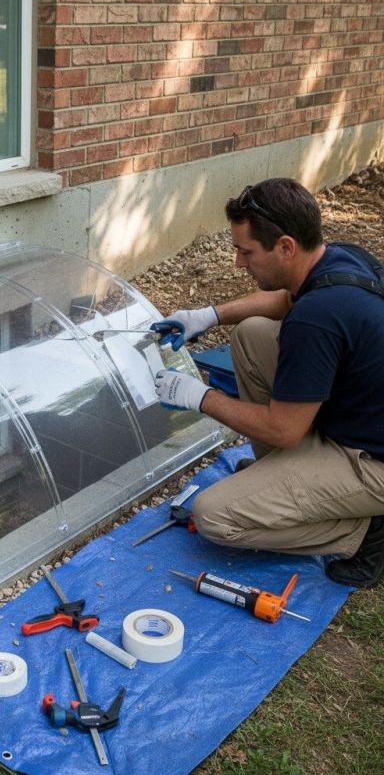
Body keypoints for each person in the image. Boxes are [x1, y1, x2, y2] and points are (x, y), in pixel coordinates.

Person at [152, 177, 384, 589]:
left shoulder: (317, 319)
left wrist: (200, 397)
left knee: (214, 516)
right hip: (360, 419)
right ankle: (282, 483)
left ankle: (363, 531)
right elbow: (284, 300)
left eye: (246, 252)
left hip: (371, 464)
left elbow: (284, 430)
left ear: (286, 247)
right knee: (252, 333)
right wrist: (209, 315)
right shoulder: (339, 259)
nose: (239, 263)